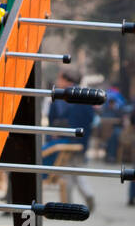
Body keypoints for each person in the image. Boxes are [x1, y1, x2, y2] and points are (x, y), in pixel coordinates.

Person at [40, 71, 96, 213]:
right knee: (75, 170)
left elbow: (53, 120)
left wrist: (53, 135)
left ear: (67, 81)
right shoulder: (85, 95)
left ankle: (69, 203)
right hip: (79, 142)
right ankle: (85, 196)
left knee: (68, 172)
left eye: (60, 79)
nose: (58, 81)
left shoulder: (61, 97)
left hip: (62, 141)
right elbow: (91, 119)